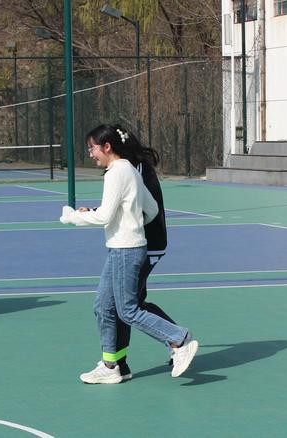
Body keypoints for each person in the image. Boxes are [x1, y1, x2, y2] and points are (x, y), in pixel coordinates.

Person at [60, 123, 198, 383]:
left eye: (92, 148)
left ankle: (179, 340)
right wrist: (129, 221)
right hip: (122, 247)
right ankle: (112, 366)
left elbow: (105, 216)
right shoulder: (130, 169)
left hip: (127, 249)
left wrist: (73, 218)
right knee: (103, 306)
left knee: (128, 310)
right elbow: (152, 209)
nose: (91, 154)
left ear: (107, 147)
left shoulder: (116, 172)